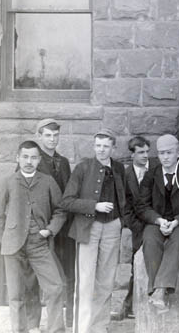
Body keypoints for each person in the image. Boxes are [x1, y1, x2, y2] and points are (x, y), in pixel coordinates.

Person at [0, 141, 66, 333]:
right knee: (16, 294)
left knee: (55, 287)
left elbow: (60, 210)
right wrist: (6, 237)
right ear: (18, 158)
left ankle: (55, 329)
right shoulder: (8, 182)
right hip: (13, 247)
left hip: (39, 244)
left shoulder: (48, 181)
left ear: (39, 159)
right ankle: (21, 330)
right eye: (25, 157)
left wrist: (49, 230)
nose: (29, 161)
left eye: (33, 157)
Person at [61, 128, 126, 333]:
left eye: (106, 146)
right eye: (98, 145)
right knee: (85, 281)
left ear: (113, 148)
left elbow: (126, 198)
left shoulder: (119, 168)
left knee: (106, 281)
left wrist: (121, 221)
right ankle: (81, 329)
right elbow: (67, 201)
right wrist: (94, 206)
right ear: (93, 146)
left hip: (113, 227)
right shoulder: (82, 168)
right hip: (88, 228)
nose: (101, 150)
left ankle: (99, 327)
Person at [136, 134, 179, 313]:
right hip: (158, 221)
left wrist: (176, 222)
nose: (165, 157)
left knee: (177, 242)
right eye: (161, 153)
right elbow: (141, 206)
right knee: (150, 239)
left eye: (169, 153)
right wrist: (159, 220)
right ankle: (159, 291)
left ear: (178, 153)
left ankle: (159, 290)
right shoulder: (151, 175)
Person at [34, 118, 75, 328]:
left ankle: (69, 321)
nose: (52, 139)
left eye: (55, 135)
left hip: (64, 227)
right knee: (47, 279)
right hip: (42, 227)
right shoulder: (32, 159)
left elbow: (68, 193)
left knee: (68, 273)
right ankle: (42, 324)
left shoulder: (63, 162)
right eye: (48, 135)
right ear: (39, 136)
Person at [118, 136, 159, 320]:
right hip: (137, 228)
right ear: (132, 154)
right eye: (141, 152)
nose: (145, 156)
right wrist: (137, 229)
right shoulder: (126, 176)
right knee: (137, 266)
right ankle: (130, 305)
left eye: (147, 152)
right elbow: (125, 208)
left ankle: (133, 305)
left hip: (156, 226)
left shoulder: (157, 170)